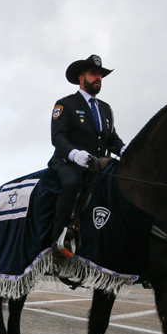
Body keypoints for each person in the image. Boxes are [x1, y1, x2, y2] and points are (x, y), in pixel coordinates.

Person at [48, 54, 126, 258]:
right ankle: (59, 238)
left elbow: (111, 138)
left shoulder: (105, 109)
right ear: (82, 78)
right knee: (73, 182)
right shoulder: (65, 104)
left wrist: (124, 149)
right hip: (68, 162)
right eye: (94, 74)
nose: (98, 78)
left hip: (98, 164)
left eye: (100, 75)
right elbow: (57, 137)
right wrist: (74, 154)